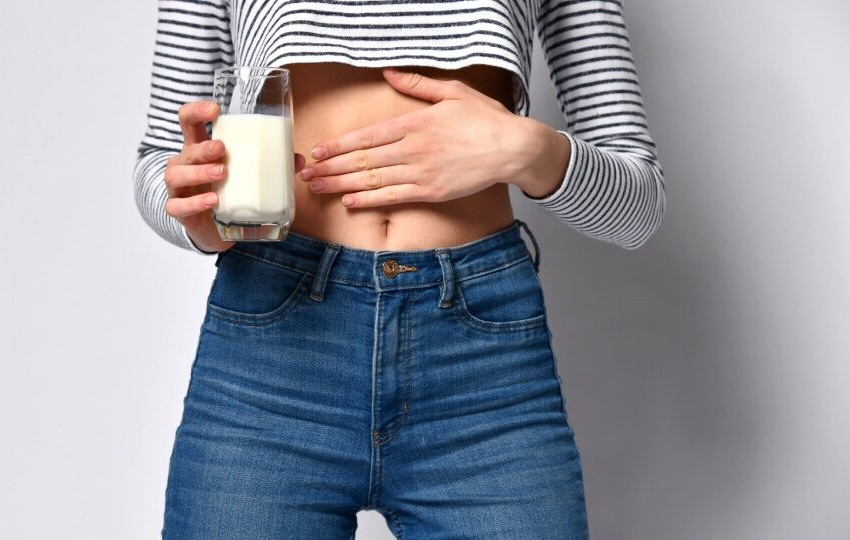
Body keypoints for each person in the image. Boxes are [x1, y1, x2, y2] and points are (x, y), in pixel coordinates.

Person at [133, 1, 665, 538]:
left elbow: (637, 208)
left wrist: (527, 149)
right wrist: (198, 217)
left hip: (482, 370)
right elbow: (159, 159)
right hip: (271, 354)